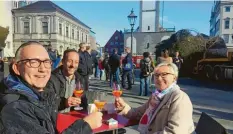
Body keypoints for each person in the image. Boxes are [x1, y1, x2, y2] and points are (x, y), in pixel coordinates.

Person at [0, 41, 103, 133]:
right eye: (33, 62)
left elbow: (50, 103)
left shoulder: (37, 93)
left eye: (46, 62)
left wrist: (65, 102)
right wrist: (85, 126)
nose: (43, 69)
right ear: (16, 68)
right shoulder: (14, 108)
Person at [115, 62, 194, 134]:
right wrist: (123, 107)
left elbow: (175, 132)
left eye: (164, 74)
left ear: (174, 78)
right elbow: (139, 113)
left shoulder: (180, 98)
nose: (159, 78)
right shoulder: (156, 96)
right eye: (156, 75)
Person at [46, 49, 86, 113]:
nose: (73, 65)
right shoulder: (51, 78)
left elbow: (84, 103)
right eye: (70, 61)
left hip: (72, 117)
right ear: (63, 62)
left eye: (76, 62)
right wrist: (64, 102)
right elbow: (47, 101)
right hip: (55, 118)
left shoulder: (80, 79)